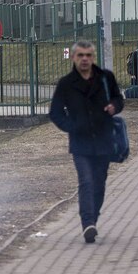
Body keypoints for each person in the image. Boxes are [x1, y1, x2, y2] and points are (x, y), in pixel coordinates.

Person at [49, 40, 124, 244]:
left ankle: (93, 220)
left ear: (93, 57)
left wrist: (113, 107)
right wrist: (71, 126)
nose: (84, 59)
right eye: (80, 55)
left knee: (99, 184)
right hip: (80, 143)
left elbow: (119, 99)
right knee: (86, 182)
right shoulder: (66, 84)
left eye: (88, 55)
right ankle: (87, 224)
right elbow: (55, 112)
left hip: (103, 140)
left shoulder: (105, 78)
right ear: (73, 57)